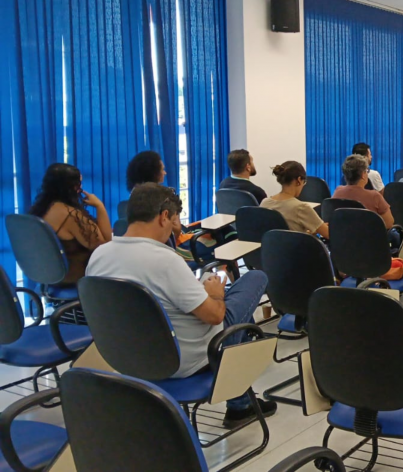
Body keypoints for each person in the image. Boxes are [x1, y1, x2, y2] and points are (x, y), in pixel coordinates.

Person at [85, 183, 276, 427]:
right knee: (255, 279)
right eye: (175, 219)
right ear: (164, 216)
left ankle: (240, 401)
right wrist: (216, 295)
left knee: (237, 321)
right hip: (182, 360)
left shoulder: (99, 255)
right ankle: (239, 402)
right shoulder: (165, 261)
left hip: (127, 358)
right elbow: (215, 316)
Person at [29, 163, 112, 285]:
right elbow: (105, 247)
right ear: (72, 187)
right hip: (75, 277)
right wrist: (100, 206)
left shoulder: (41, 209)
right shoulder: (70, 215)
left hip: (51, 277)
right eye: (79, 184)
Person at [261, 161, 330, 238]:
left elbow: (282, 234)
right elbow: (329, 235)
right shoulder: (301, 208)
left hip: (270, 245)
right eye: (304, 182)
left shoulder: (264, 203)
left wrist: (311, 231)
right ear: (299, 180)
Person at [333, 155, 396, 230]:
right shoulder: (374, 196)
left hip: (343, 235)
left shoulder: (338, 191)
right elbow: (389, 223)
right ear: (363, 175)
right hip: (370, 236)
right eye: (367, 171)